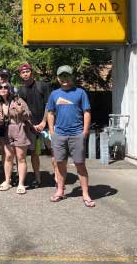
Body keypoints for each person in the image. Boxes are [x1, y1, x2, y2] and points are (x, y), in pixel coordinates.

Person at [47, 65, 95, 207]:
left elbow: (87, 112)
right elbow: (50, 113)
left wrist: (85, 131)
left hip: (76, 134)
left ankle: (85, 194)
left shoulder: (80, 93)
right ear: (58, 78)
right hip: (59, 135)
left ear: (72, 77)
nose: (64, 78)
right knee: (60, 163)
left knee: (80, 164)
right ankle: (60, 191)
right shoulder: (54, 94)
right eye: (62, 76)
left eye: (67, 75)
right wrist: (51, 131)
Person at [18, 62, 52, 188]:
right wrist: (32, 125)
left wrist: (44, 122)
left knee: (53, 151)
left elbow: (49, 105)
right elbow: (22, 111)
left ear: (31, 72)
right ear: (20, 75)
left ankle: (58, 178)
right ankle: (37, 178)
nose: (25, 74)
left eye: (27, 71)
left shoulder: (43, 86)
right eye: (23, 72)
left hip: (47, 125)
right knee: (34, 153)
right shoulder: (21, 90)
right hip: (31, 127)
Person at [0, 83, 33, 194]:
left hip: (19, 128)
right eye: (0, 87)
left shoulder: (18, 100)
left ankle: (21, 184)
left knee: (21, 157)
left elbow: (29, 115)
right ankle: (7, 181)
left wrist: (21, 111)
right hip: (7, 130)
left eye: (5, 87)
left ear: (10, 89)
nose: (3, 89)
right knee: (8, 156)